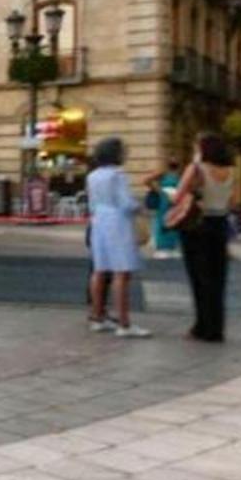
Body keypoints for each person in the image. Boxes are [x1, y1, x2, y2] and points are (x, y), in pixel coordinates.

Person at [85, 137, 152, 338]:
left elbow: (92, 203)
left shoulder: (93, 175)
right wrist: (140, 208)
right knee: (122, 272)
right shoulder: (118, 175)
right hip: (118, 222)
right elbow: (125, 202)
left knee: (99, 270)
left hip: (99, 221)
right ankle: (124, 322)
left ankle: (97, 317)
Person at [177, 134, 238, 343]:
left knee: (199, 279)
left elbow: (178, 195)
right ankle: (216, 329)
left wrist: (195, 163)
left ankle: (201, 326)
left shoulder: (197, 168)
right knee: (218, 280)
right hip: (220, 224)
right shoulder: (231, 171)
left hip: (198, 226)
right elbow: (233, 201)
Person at [145, 157, 183, 260]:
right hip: (172, 203)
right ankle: (169, 247)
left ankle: (164, 247)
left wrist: (160, 191)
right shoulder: (179, 177)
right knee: (172, 222)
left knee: (165, 222)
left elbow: (147, 180)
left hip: (166, 203)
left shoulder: (164, 176)